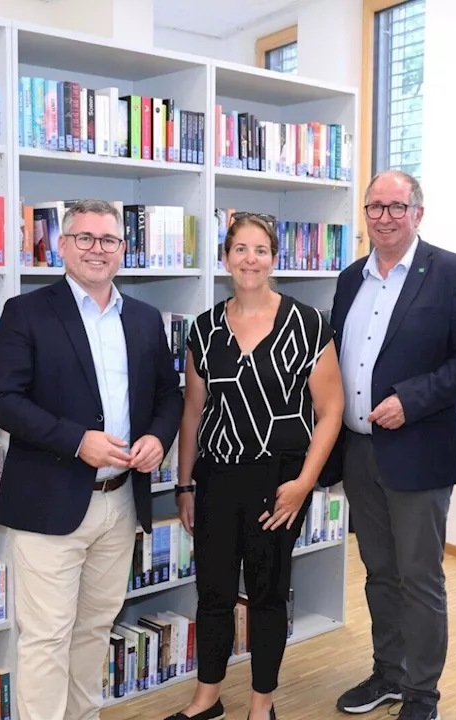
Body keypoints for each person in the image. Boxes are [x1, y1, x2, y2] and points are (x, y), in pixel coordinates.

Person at [0, 199, 184, 720]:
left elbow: (169, 396)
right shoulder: (26, 312)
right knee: (47, 637)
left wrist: (159, 440)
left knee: (94, 630)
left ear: (123, 250)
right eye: (86, 239)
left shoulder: (140, 318)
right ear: (62, 246)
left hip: (120, 503)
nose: (98, 250)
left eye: (109, 241)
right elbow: (1, 399)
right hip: (51, 501)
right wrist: (77, 441)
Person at [326, 171, 456, 720]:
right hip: (359, 450)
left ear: (418, 212)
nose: (385, 216)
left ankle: (423, 694)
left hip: (418, 451)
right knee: (378, 573)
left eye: (397, 206)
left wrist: (411, 399)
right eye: (375, 206)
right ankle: (388, 674)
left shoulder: (453, 274)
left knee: (420, 578)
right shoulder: (351, 278)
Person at [167, 213, 344, 720]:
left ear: (274, 258)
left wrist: (304, 484)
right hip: (217, 478)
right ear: (225, 258)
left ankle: (261, 704)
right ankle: (207, 698)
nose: (250, 259)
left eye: (260, 249)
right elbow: (194, 413)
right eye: (240, 249)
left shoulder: (309, 324)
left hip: (280, 481)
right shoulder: (204, 330)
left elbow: (331, 412)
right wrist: (184, 485)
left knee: (267, 593)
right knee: (213, 592)